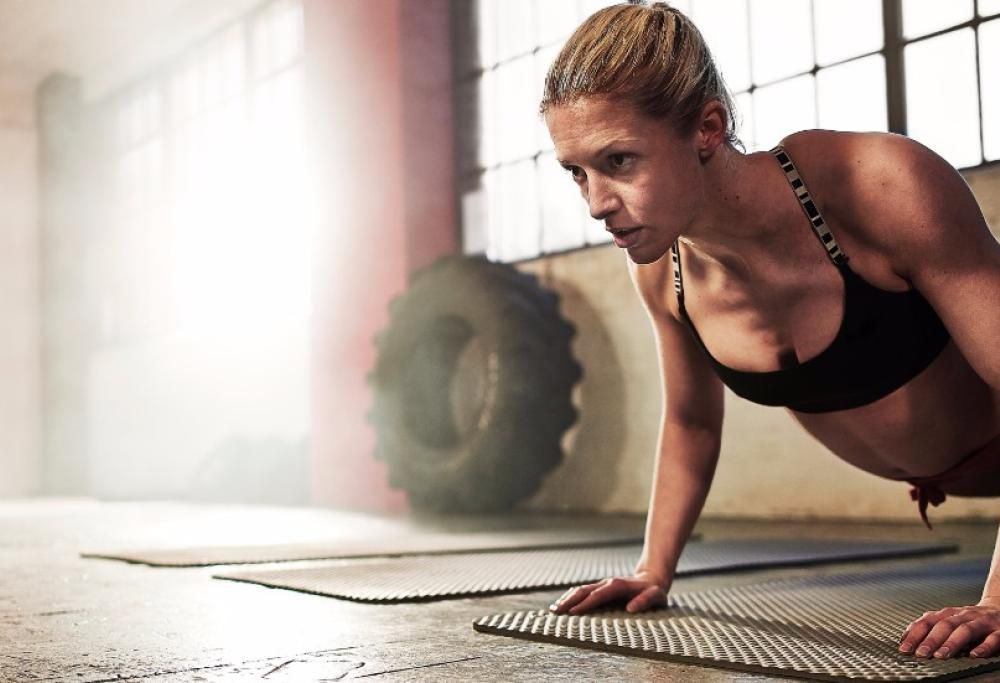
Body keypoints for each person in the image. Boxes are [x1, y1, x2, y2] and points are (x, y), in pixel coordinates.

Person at [541, 1, 1000, 661]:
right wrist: (653, 568)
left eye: (619, 161)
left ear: (708, 127)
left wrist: (997, 598)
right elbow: (693, 423)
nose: (595, 203)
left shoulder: (880, 187)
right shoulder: (663, 271)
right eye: (576, 172)